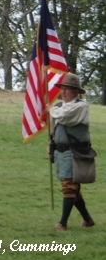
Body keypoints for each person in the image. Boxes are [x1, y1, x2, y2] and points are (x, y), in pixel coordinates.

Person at [49, 73, 95, 230]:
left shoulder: (80, 106)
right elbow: (56, 126)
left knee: (69, 186)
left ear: (76, 92)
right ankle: (87, 220)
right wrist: (52, 145)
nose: (63, 92)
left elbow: (63, 116)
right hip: (61, 152)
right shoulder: (59, 106)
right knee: (73, 188)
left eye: (67, 89)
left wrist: (51, 109)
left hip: (74, 152)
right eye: (62, 89)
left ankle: (62, 223)